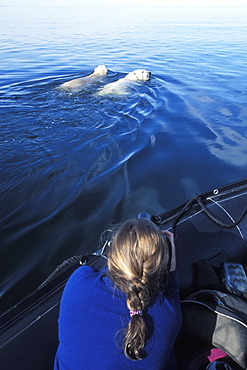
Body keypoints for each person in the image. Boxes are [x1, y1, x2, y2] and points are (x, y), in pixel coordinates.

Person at [54, 219, 182, 369]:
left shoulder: (79, 280)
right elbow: (172, 296)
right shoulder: (169, 314)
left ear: (110, 254)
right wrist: (171, 269)